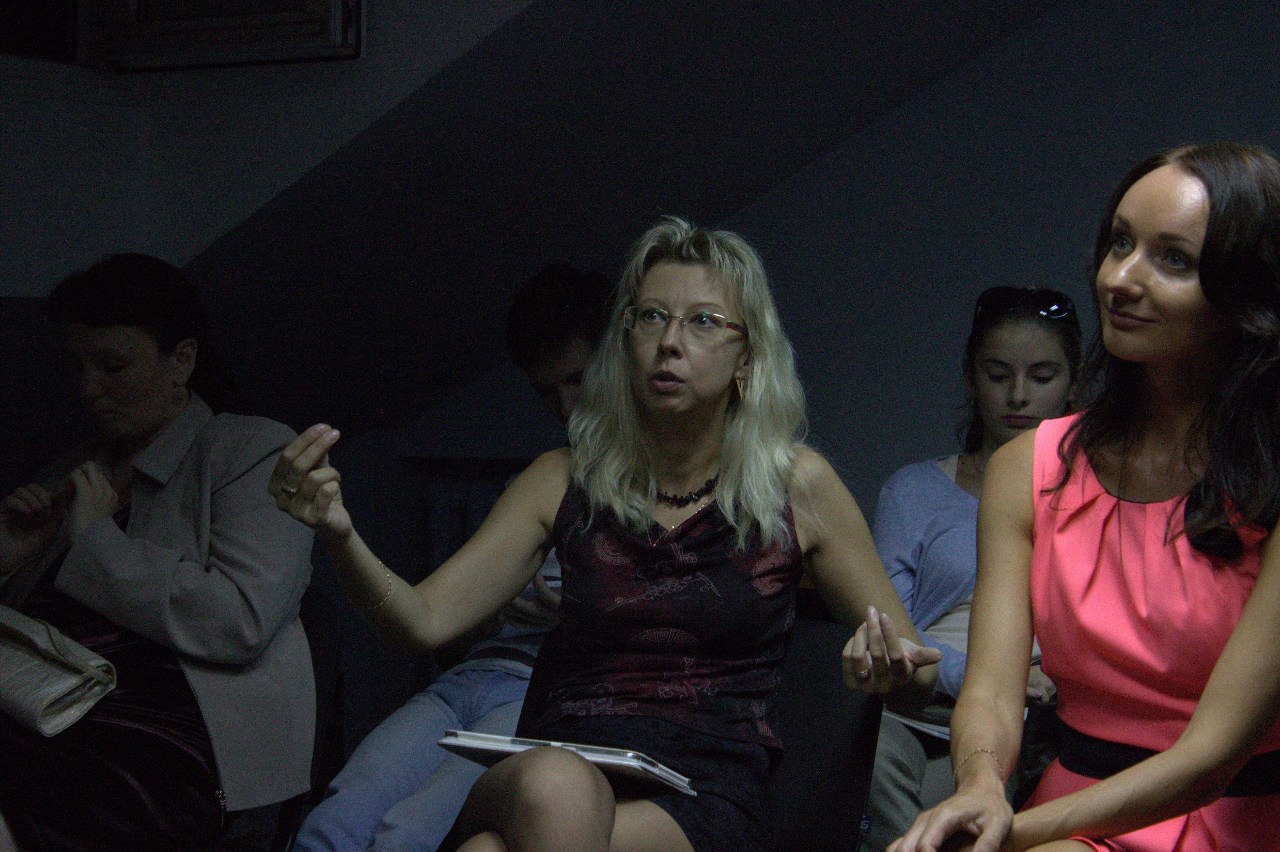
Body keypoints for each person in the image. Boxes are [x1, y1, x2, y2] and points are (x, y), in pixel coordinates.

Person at [273, 217, 941, 852]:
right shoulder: (562, 477)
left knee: (488, 848)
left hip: (703, 790)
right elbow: (421, 622)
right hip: (551, 761)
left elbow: (919, 675)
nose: (670, 341)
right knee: (554, 785)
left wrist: (889, 667)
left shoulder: (798, 485)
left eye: (703, 322)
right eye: (651, 317)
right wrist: (339, 533)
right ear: (625, 340)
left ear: (747, 359)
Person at [892, 142, 1280, 852]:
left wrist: (1008, 836)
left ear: (1244, 295)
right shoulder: (1028, 468)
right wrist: (979, 787)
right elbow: (993, 690)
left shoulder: (1271, 477)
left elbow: (1211, 758)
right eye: (1120, 243)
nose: (1120, 279)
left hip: (1237, 820)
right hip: (1072, 814)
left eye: (1173, 260)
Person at [0, 254, 316, 851]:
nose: (89, 390)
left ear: (182, 360)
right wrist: (14, 554)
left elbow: (239, 619)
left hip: (167, 734)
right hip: (41, 708)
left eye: (113, 367)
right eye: (79, 367)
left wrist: (96, 540)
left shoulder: (251, 451)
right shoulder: (74, 469)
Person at [294, 262, 611, 852]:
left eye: (579, 379)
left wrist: (581, 609)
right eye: (548, 390)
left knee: (406, 835)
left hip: (544, 691)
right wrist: (340, 533)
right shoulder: (542, 479)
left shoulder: (668, 495)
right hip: (472, 675)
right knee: (331, 826)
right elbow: (431, 621)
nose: (568, 406)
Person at [860, 286, 1081, 850]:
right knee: (865, 757)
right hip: (917, 708)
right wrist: (990, 677)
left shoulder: (1091, 497)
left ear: (1072, 382)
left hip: (1033, 718)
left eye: (1042, 376)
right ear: (971, 379)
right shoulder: (914, 491)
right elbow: (891, 634)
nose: (1018, 395)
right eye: (998, 374)